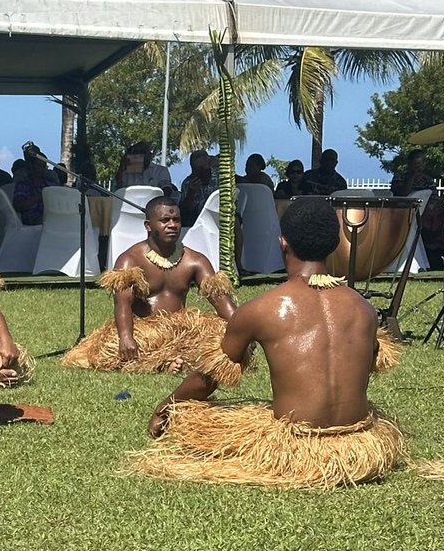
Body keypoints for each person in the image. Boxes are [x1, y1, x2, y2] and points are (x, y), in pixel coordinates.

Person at [132, 197, 406, 488]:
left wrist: (166, 407)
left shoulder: (262, 308)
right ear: (334, 244)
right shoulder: (363, 308)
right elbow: (370, 359)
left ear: (283, 244)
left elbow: (208, 379)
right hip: (358, 446)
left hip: (296, 449)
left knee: (199, 416)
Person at [62, 196, 238, 376]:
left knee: (220, 333)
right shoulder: (130, 259)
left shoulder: (196, 261)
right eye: (164, 220)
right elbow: (122, 304)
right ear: (148, 225)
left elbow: (220, 300)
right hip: (144, 332)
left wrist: (242, 329)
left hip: (181, 330)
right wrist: (126, 337)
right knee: (110, 349)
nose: (172, 225)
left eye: (176, 220)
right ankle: (165, 361)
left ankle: (170, 360)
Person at [12, 146, 64, 225]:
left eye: (43, 166)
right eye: (38, 165)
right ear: (31, 166)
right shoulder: (23, 184)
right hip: (33, 219)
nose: (41, 169)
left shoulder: (51, 184)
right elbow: (18, 206)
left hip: (53, 216)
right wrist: (39, 196)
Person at [178, 150, 217, 228]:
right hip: (196, 219)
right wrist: (191, 191)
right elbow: (185, 210)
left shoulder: (220, 177)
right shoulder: (187, 183)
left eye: (202, 168)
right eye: (196, 169)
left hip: (217, 215)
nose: (199, 172)